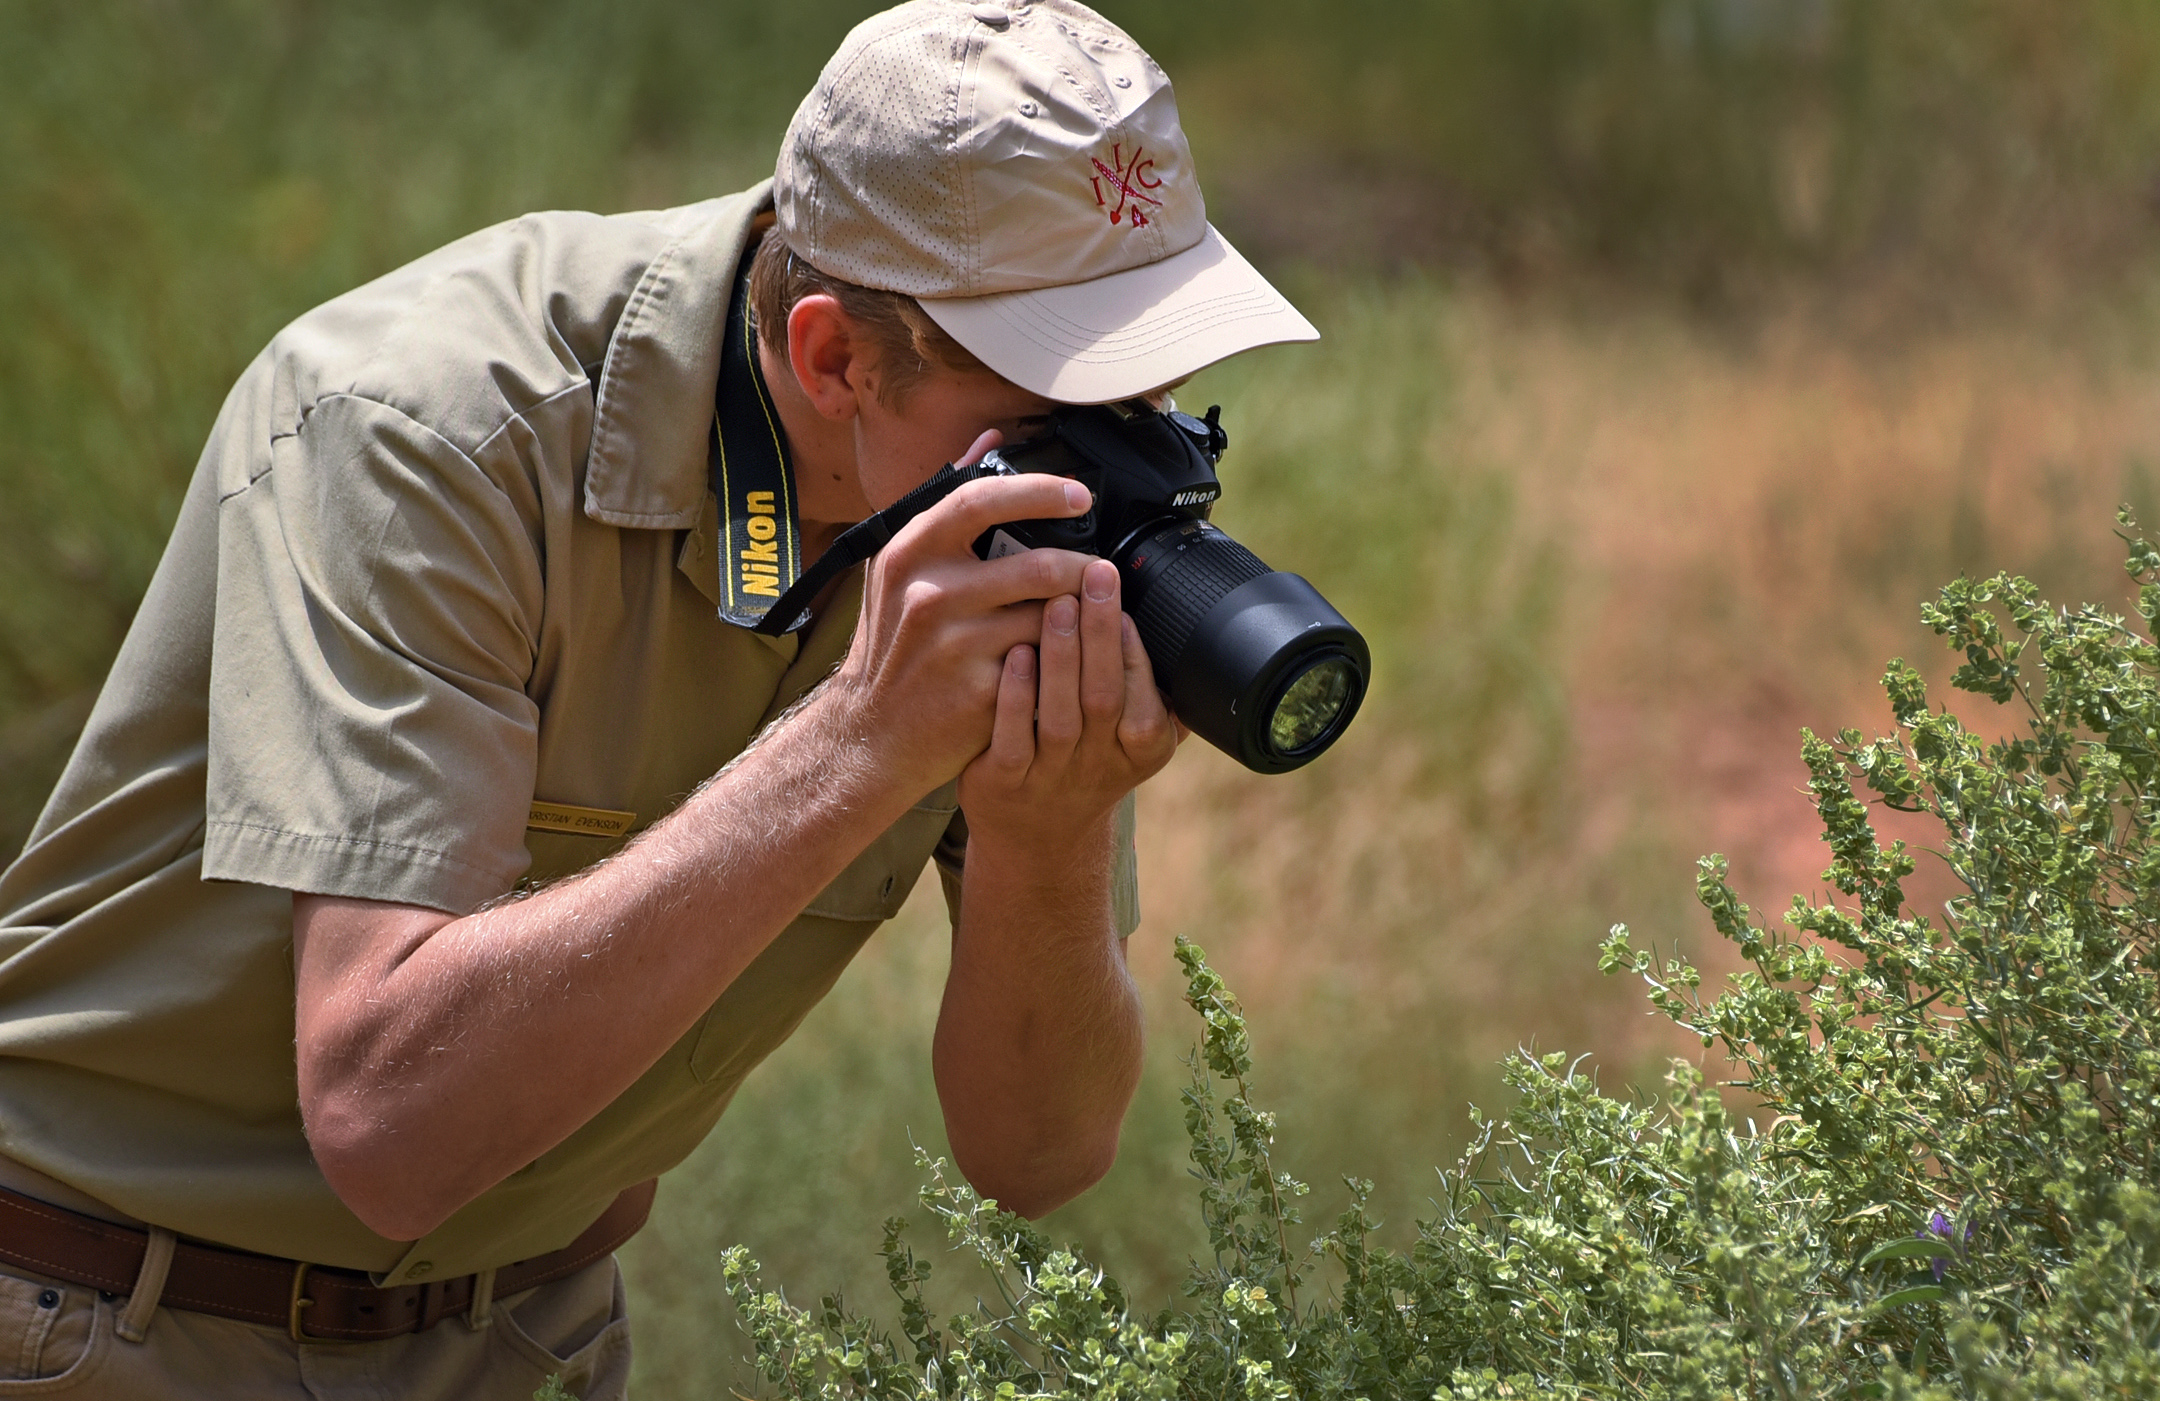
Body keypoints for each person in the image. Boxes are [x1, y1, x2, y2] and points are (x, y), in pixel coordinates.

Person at [0, 1, 1318, 1395]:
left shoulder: (1005, 521)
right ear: (834, 357)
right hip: (109, 1312)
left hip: (530, 1332)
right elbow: (390, 1124)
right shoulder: (427, 433)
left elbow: (1039, 1159)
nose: (1124, 449)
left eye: (1156, 379)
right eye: (1070, 393)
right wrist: (859, 744)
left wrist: (1048, 841)